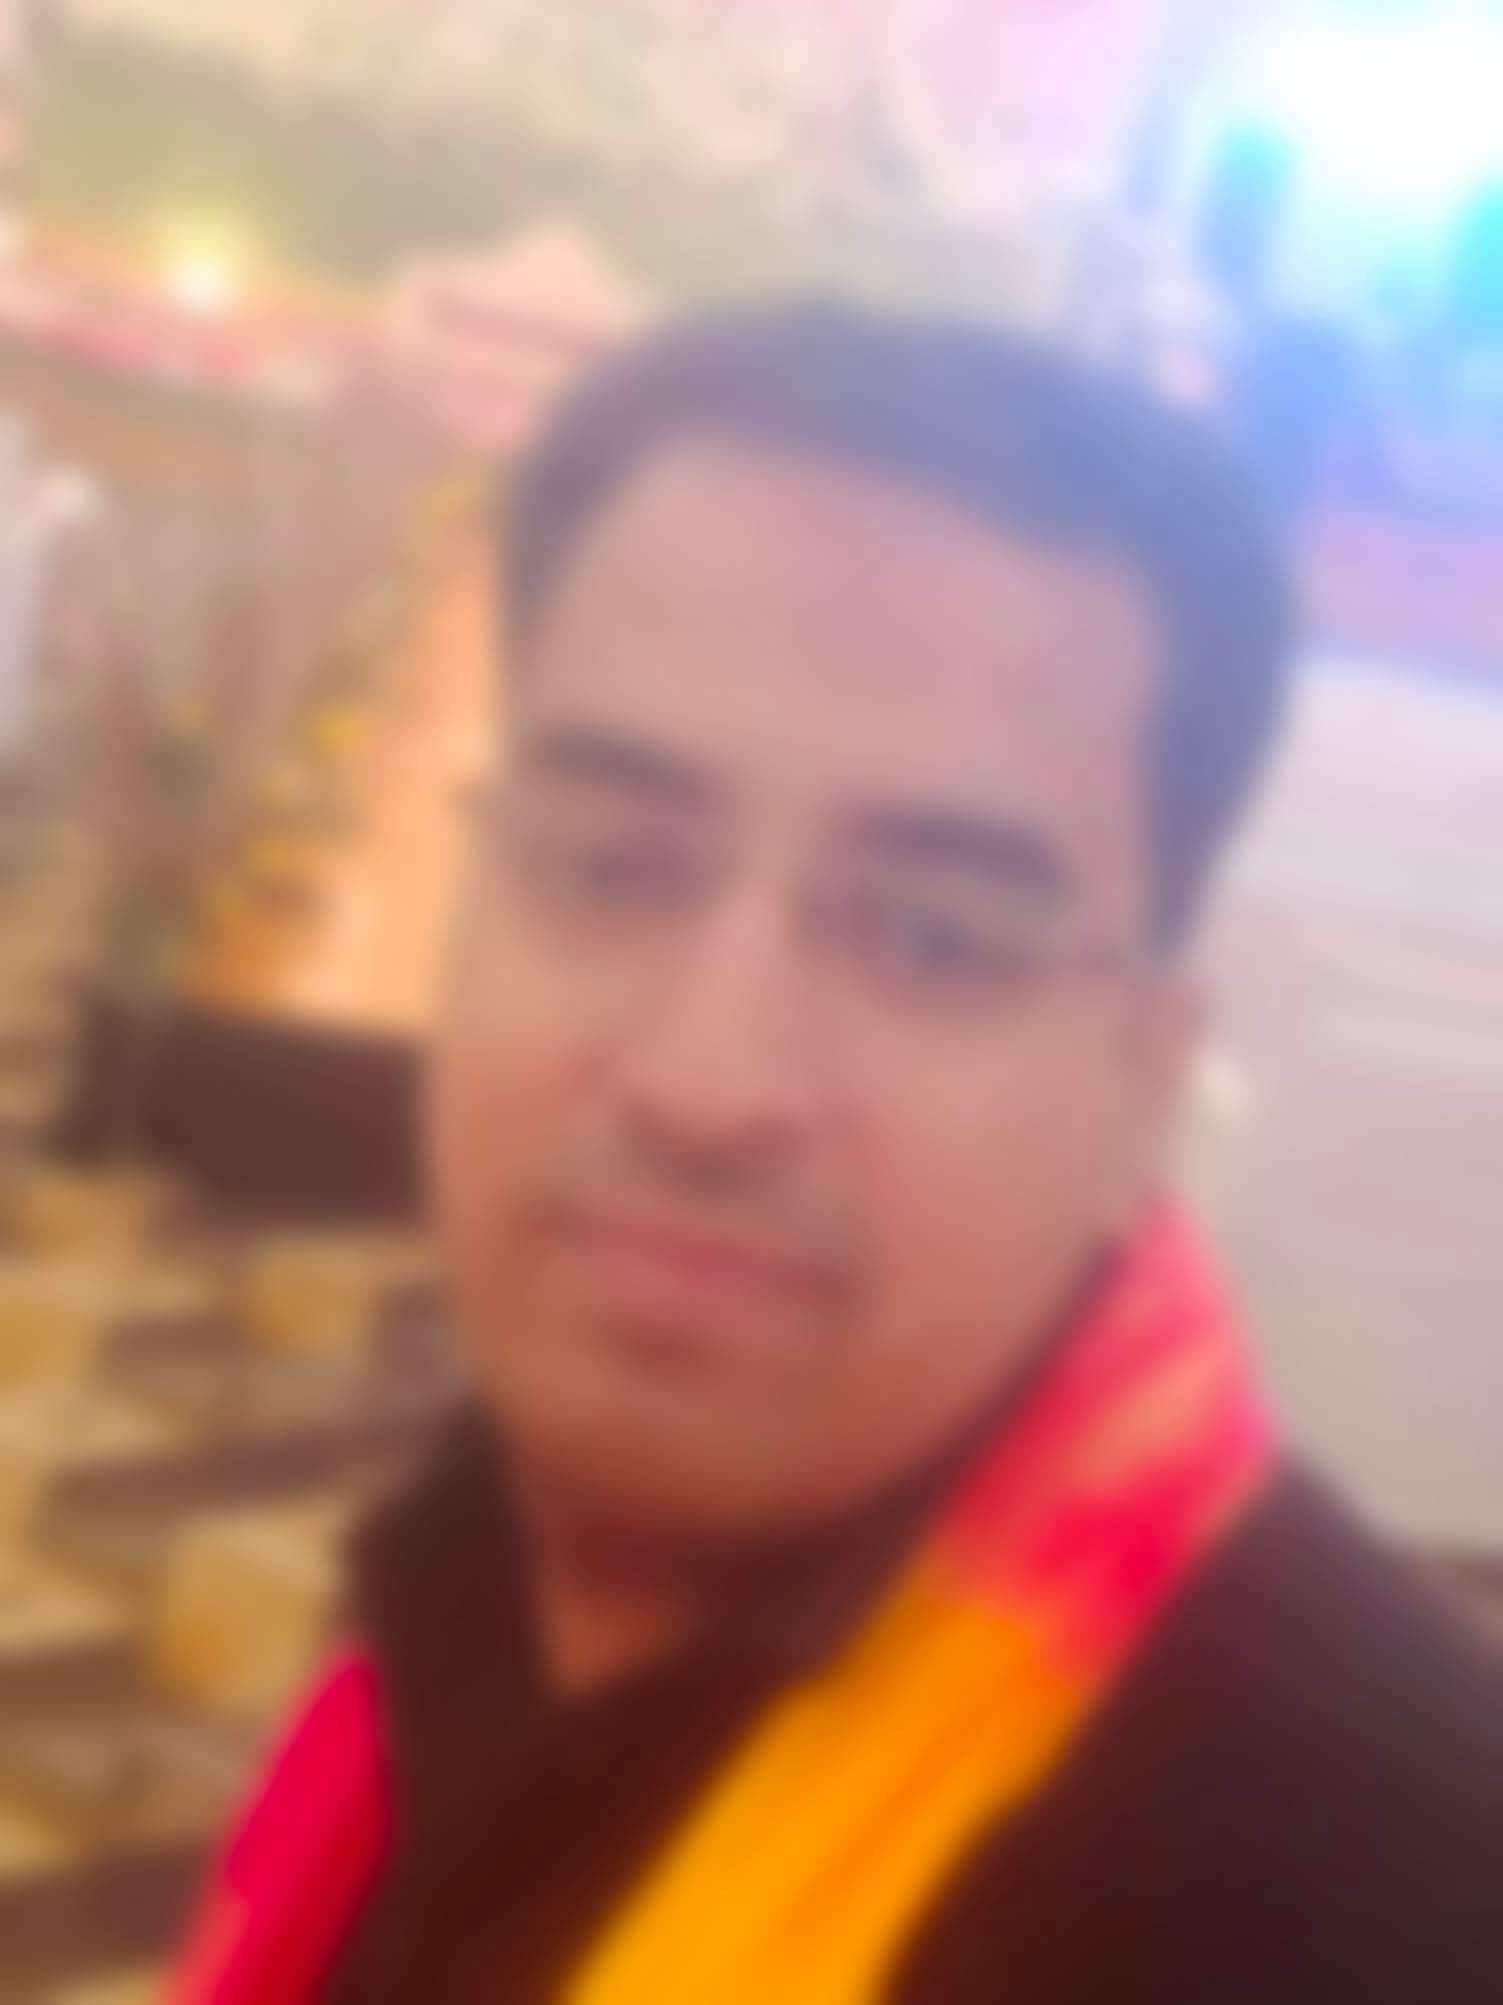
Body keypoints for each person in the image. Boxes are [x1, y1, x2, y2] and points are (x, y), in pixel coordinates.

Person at [169, 305, 1503, 2005]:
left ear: (1142, 1082)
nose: (706, 1081)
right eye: (609, 862)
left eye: (935, 939)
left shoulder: (1396, 1894)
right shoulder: (462, 1552)